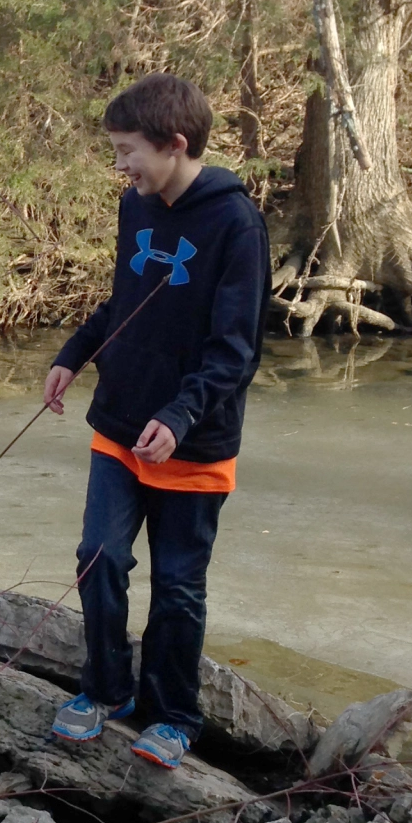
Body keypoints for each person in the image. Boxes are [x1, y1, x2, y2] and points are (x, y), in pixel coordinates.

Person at [41, 73, 269, 769]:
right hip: (119, 424)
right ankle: (104, 688)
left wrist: (180, 413)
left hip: (193, 441)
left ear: (175, 145)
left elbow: (237, 349)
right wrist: (75, 353)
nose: (120, 166)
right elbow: (122, 302)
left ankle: (174, 714)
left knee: (177, 585)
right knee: (99, 558)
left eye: (127, 150)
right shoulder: (135, 209)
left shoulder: (237, 225)